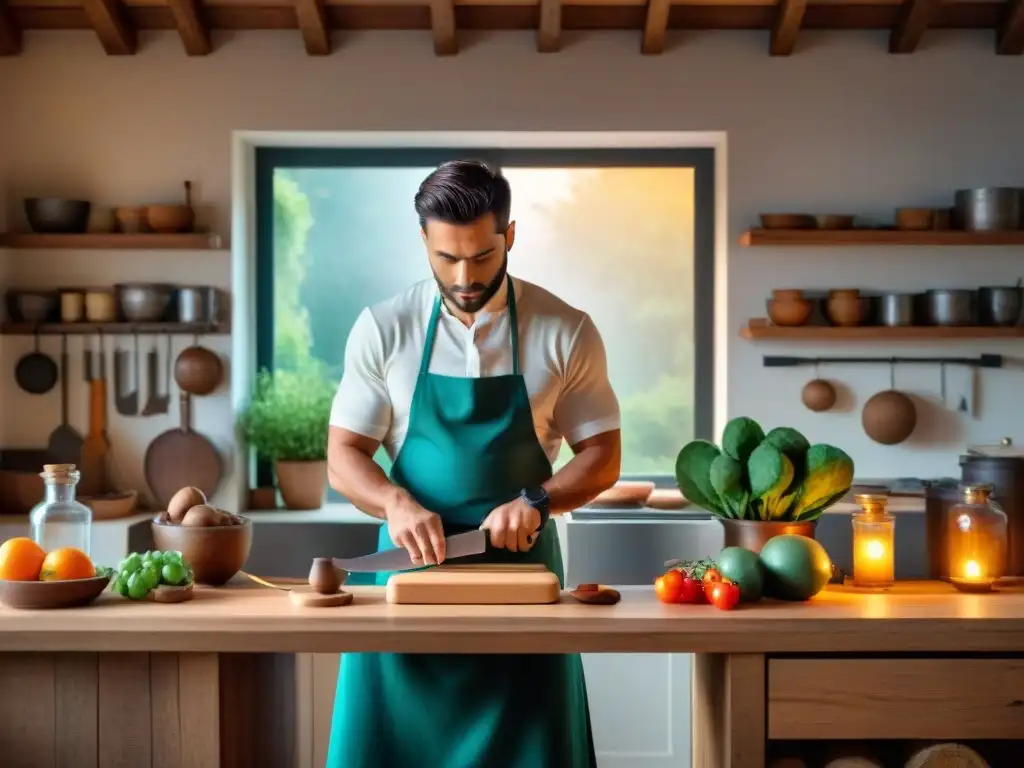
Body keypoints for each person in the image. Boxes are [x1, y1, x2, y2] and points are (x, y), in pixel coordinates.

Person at [325, 159, 622, 768]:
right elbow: (343, 455)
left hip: (523, 595)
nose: (463, 276)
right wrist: (393, 502)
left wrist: (539, 500)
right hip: (405, 592)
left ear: (509, 235)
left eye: (482, 257)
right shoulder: (383, 328)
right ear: (424, 242)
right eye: (446, 258)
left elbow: (603, 456)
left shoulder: (566, 331)